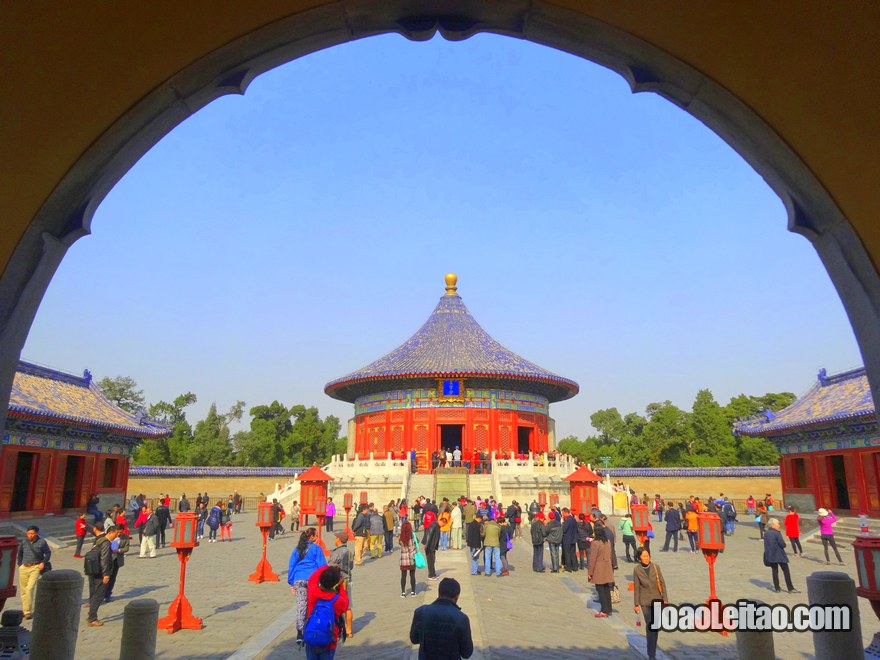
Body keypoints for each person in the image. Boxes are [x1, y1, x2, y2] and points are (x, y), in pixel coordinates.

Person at [409, 577, 474, 660]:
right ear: (457, 596)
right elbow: (466, 653)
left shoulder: (421, 612)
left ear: (439, 593)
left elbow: (414, 639)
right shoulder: (462, 618)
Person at [289, 528, 328, 644]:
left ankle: (300, 632)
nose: (317, 537)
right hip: (312, 579)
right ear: (311, 537)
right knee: (313, 603)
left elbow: (292, 565)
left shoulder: (297, 549)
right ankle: (312, 627)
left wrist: (291, 582)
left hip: (299, 578)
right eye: (315, 535)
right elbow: (322, 566)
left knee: (301, 604)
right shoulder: (316, 548)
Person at [304, 564, 349, 660]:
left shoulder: (313, 591)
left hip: (312, 636)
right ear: (335, 583)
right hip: (329, 641)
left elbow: (313, 577)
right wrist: (340, 585)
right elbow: (345, 605)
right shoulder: (337, 600)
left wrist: (328, 567)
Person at [633, 547, 667, 660]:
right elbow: (636, 587)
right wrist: (636, 604)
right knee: (650, 625)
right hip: (645, 601)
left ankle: (652, 646)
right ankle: (651, 653)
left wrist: (665, 599)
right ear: (639, 558)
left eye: (648, 556)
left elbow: (662, 583)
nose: (646, 558)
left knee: (655, 626)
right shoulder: (637, 570)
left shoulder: (655, 567)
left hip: (657, 599)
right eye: (644, 556)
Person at [87, 524, 119, 626]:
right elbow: (104, 559)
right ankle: (92, 618)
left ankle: (91, 614)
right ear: (110, 533)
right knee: (99, 595)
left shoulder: (99, 540)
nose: (117, 536)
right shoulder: (106, 543)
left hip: (94, 570)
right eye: (116, 533)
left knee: (96, 593)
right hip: (101, 573)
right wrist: (106, 574)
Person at [17, 525, 51, 620]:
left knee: (30, 588)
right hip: (24, 567)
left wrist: (43, 563)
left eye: (32, 533)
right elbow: (20, 553)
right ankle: (25, 610)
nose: (30, 535)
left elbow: (48, 553)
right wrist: (19, 564)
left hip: (35, 567)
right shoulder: (24, 542)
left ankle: (27, 610)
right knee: (23, 590)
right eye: (29, 533)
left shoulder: (42, 542)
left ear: (36, 533)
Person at [328, 531, 354, 638]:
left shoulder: (337, 552)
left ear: (339, 539)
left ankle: (337, 629)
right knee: (348, 606)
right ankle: (349, 630)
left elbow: (330, 565)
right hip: (348, 579)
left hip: (338, 581)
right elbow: (351, 566)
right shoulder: (348, 551)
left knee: (336, 605)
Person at [764, 518, 799, 593]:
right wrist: (784, 544)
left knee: (775, 571)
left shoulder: (766, 533)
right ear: (773, 525)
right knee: (786, 571)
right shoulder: (777, 533)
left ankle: (777, 588)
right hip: (779, 555)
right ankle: (790, 588)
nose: (779, 525)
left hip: (771, 555)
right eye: (778, 524)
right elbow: (782, 544)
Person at [588, 527, 615, 618]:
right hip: (607, 567)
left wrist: (590, 573)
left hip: (599, 568)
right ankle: (609, 609)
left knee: (600, 590)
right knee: (607, 589)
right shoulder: (607, 541)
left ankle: (604, 610)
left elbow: (592, 559)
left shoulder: (595, 543)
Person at [399, 520, 418, 597]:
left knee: (403, 576)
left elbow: (400, 544)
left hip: (403, 559)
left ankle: (403, 592)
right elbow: (416, 545)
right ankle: (413, 592)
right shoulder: (413, 536)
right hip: (411, 558)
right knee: (412, 575)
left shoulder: (401, 537)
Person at [422, 514, 441, 580]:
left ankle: (433, 573)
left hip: (432, 546)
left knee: (432, 560)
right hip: (429, 546)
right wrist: (426, 545)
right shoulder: (434, 525)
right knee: (430, 560)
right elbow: (428, 535)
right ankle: (431, 575)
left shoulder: (436, 525)